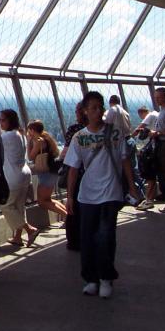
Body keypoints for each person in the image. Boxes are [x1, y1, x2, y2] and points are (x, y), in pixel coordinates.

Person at [63, 91, 135, 299]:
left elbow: (124, 161)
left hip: (111, 192)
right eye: (93, 107)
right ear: (85, 111)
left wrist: (131, 186)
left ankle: (104, 277)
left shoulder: (115, 133)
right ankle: (91, 278)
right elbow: (73, 169)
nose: (98, 111)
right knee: (87, 238)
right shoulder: (80, 137)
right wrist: (70, 196)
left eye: (100, 106)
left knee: (105, 236)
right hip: (87, 195)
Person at [0, 109, 39, 247]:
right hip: (24, 173)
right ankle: (17, 237)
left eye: (3, 119)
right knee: (19, 207)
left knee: (6, 206)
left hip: (12, 176)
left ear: (10, 121)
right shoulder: (20, 134)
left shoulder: (6, 137)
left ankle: (29, 229)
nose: (0, 122)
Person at [137, 87, 165, 213]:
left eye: (159, 97)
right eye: (155, 97)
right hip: (161, 144)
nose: (156, 99)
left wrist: (157, 133)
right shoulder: (163, 111)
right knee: (164, 173)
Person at [26, 120, 67, 222]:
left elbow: (30, 157)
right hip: (51, 172)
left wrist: (28, 142)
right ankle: (68, 215)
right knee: (47, 199)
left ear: (32, 130)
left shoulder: (39, 142)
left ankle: (67, 217)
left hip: (45, 173)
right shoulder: (46, 138)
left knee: (43, 202)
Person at [60, 100, 88, 249]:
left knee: (74, 208)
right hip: (93, 176)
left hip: (77, 174)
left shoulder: (74, 130)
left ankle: (74, 240)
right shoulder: (101, 131)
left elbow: (68, 153)